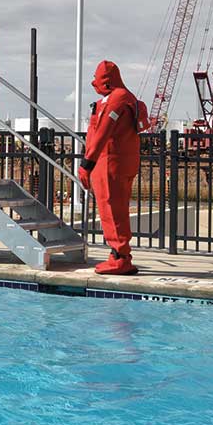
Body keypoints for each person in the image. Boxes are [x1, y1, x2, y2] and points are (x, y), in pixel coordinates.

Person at [77, 60, 143, 276]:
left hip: (109, 163)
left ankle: (119, 257)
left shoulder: (114, 100)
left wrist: (87, 164)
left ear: (103, 79)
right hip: (125, 161)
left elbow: (102, 132)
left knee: (110, 210)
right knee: (119, 210)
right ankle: (120, 254)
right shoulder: (129, 98)